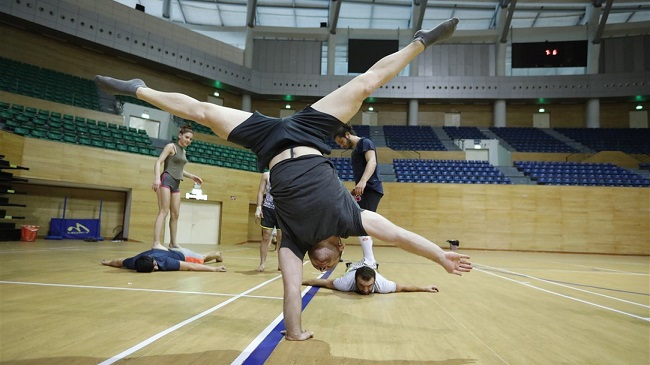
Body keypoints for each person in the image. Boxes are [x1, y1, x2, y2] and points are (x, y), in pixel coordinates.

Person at [95, 17, 472, 341]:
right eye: (329, 266)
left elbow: (292, 289)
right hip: (310, 132)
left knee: (203, 112)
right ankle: (421, 41)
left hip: (268, 143)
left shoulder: (292, 243)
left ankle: (137, 88)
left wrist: (295, 332)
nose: (325, 268)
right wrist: (441, 256)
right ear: (342, 249)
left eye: (321, 269)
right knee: (364, 86)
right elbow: (402, 237)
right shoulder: (349, 218)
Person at [334, 124, 383, 270]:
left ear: (347, 135)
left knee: (363, 223)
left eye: (341, 142)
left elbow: (372, 162)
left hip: (371, 188)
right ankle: (368, 259)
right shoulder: (355, 150)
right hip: (363, 190)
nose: (342, 146)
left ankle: (369, 260)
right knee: (359, 221)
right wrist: (356, 189)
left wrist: (363, 181)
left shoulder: (365, 142)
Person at [152, 125, 203, 250]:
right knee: (164, 211)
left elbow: (179, 169)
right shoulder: (171, 146)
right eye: (186, 137)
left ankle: (173, 242)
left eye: (190, 139)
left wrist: (192, 176)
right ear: (180, 135)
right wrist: (157, 178)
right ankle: (156, 243)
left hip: (176, 183)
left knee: (175, 214)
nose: (188, 141)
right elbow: (159, 162)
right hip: (166, 180)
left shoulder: (183, 151)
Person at [303, 265, 439, 295]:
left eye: (369, 286)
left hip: (372, 270)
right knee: (350, 268)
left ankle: (373, 266)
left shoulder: (383, 285)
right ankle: (351, 266)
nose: (366, 290)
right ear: (356, 281)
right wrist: (298, 282)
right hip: (353, 270)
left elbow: (403, 287)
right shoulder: (345, 283)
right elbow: (323, 282)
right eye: (362, 286)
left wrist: (424, 287)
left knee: (372, 264)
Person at [100, 246, 226, 272]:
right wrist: (107, 263)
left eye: (155, 266)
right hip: (167, 251)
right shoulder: (135, 262)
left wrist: (214, 269)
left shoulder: (164, 262)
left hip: (182, 254)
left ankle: (217, 254)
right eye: (154, 269)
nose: (156, 268)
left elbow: (191, 267)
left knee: (201, 259)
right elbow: (118, 262)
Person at [255, 171, 282, 272]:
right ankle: (262, 263)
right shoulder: (266, 175)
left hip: (282, 209)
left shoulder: (286, 173)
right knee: (266, 236)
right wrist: (258, 207)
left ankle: (280, 263)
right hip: (268, 208)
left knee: (281, 237)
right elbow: (261, 192)